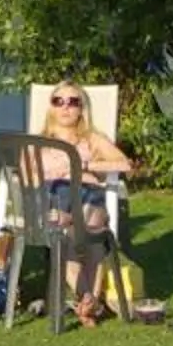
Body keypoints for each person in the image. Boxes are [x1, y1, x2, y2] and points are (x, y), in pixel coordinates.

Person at [29, 83, 136, 327]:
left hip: (87, 194)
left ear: (81, 108)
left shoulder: (91, 139)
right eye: (59, 101)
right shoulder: (38, 141)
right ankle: (90, 301)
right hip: (53, 194)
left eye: (73, 102)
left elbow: (124, 164)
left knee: (91, 230)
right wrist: (52, 173)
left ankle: (87, 299)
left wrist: (83, 166)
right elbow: (26, 175)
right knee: (68, 230)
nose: (66, 107)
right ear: (51, 107)